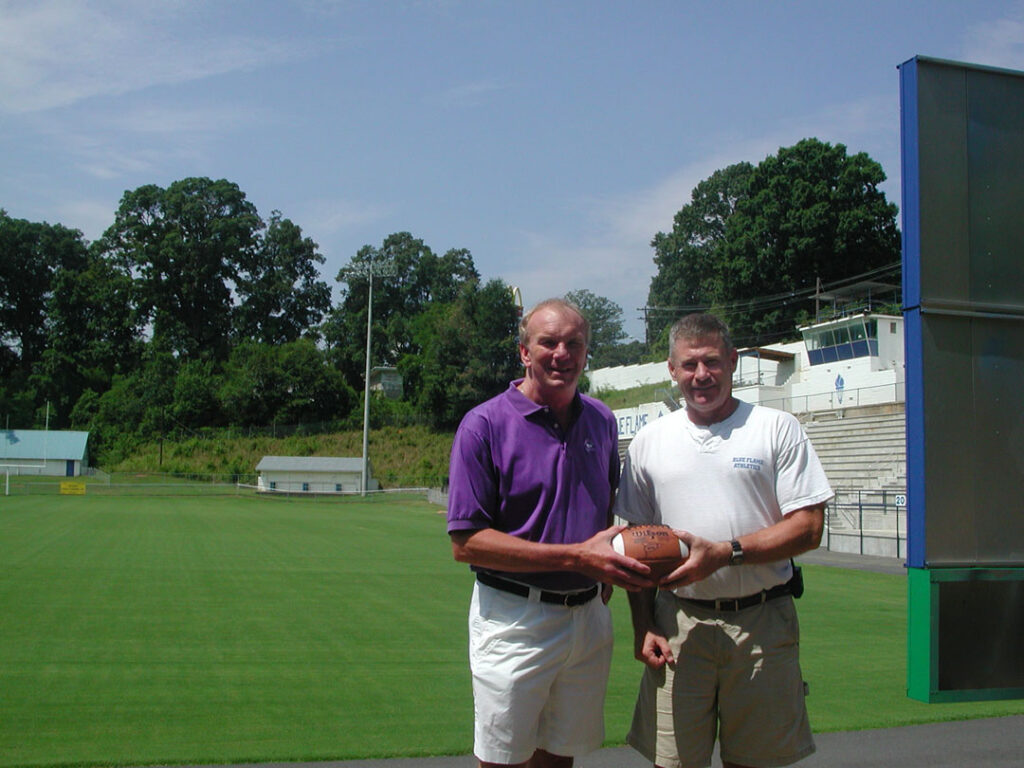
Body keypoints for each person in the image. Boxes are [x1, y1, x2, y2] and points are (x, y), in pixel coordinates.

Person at [615, 312, 833, 768]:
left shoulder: (776, 428)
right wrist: (642, 625)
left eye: (712, 361)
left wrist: (725, 553)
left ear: (733, 361)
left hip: (761, 621)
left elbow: (809, 527)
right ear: (671, 370)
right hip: (678, 625)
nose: (702, 375)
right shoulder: (649, 443)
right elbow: (635, 544)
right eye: (689, 365)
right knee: (674, 763)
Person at [447, 297, 656, 768]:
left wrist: (602, 573)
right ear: (524, 352)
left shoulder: (601, 420)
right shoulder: (483, 425)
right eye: (548, 342)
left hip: (586, 619)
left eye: (574, 343)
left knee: (561, 757)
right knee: (505, 760)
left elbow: (605, 509)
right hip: (515, 618)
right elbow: (466, 543)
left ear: (586, 353)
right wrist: (577, 558)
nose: (562, 353)